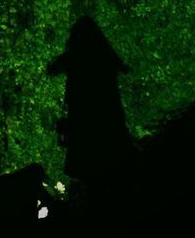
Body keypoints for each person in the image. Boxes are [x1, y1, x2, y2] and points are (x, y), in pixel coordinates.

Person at [46, 16, 137, 205]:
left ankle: (100, 208)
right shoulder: (105, 56)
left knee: (91, 169)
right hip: (108, 119)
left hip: (83, 121)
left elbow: (51, 68)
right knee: (110, 163)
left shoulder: (75, 57)